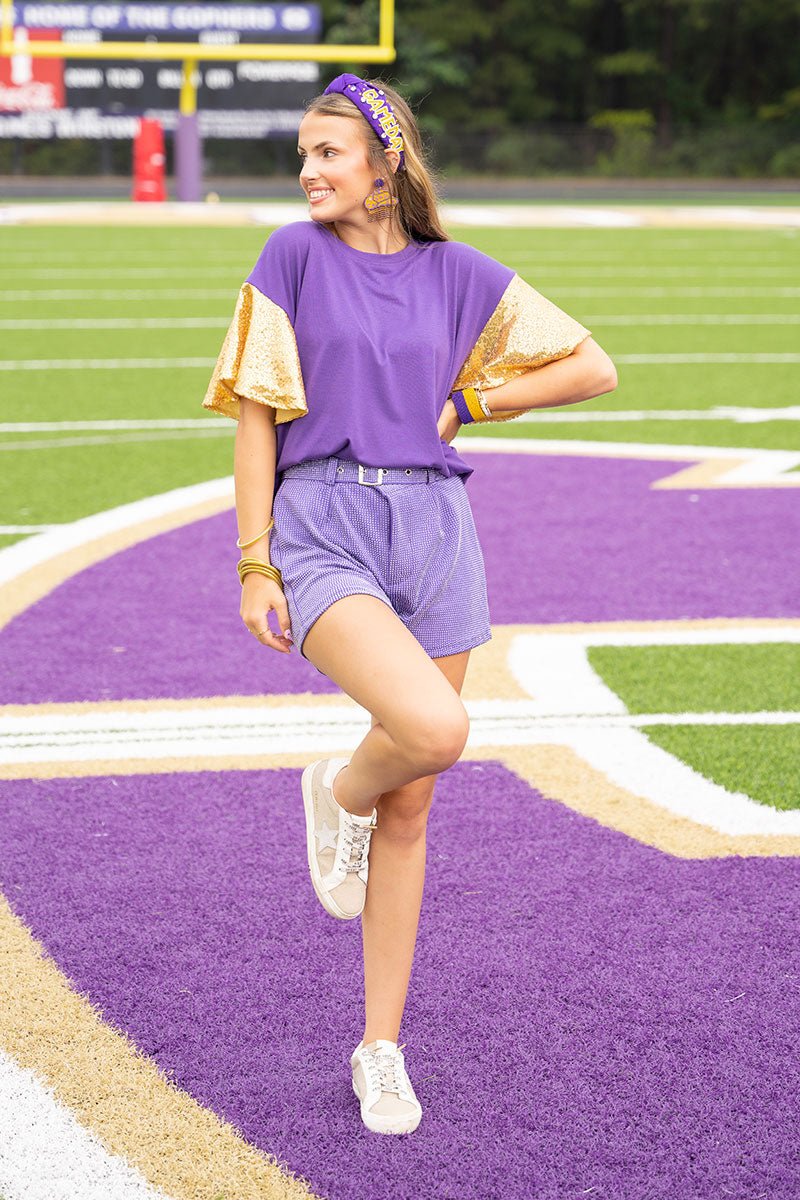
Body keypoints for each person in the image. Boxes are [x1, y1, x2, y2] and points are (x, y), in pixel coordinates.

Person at [202, 73, 617, 1136]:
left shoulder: (457, 274)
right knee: (433, 732)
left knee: (416, 797)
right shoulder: (290, 258)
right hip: (323, 523)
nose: (308, 171)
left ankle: (378, 1047)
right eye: (302, 154)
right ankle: (335, 788)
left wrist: (477, 398)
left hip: (436, 531)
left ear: (385, 163)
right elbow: (255, 418)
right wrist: (255, 563)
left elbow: (591, 366)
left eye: (328, 155)